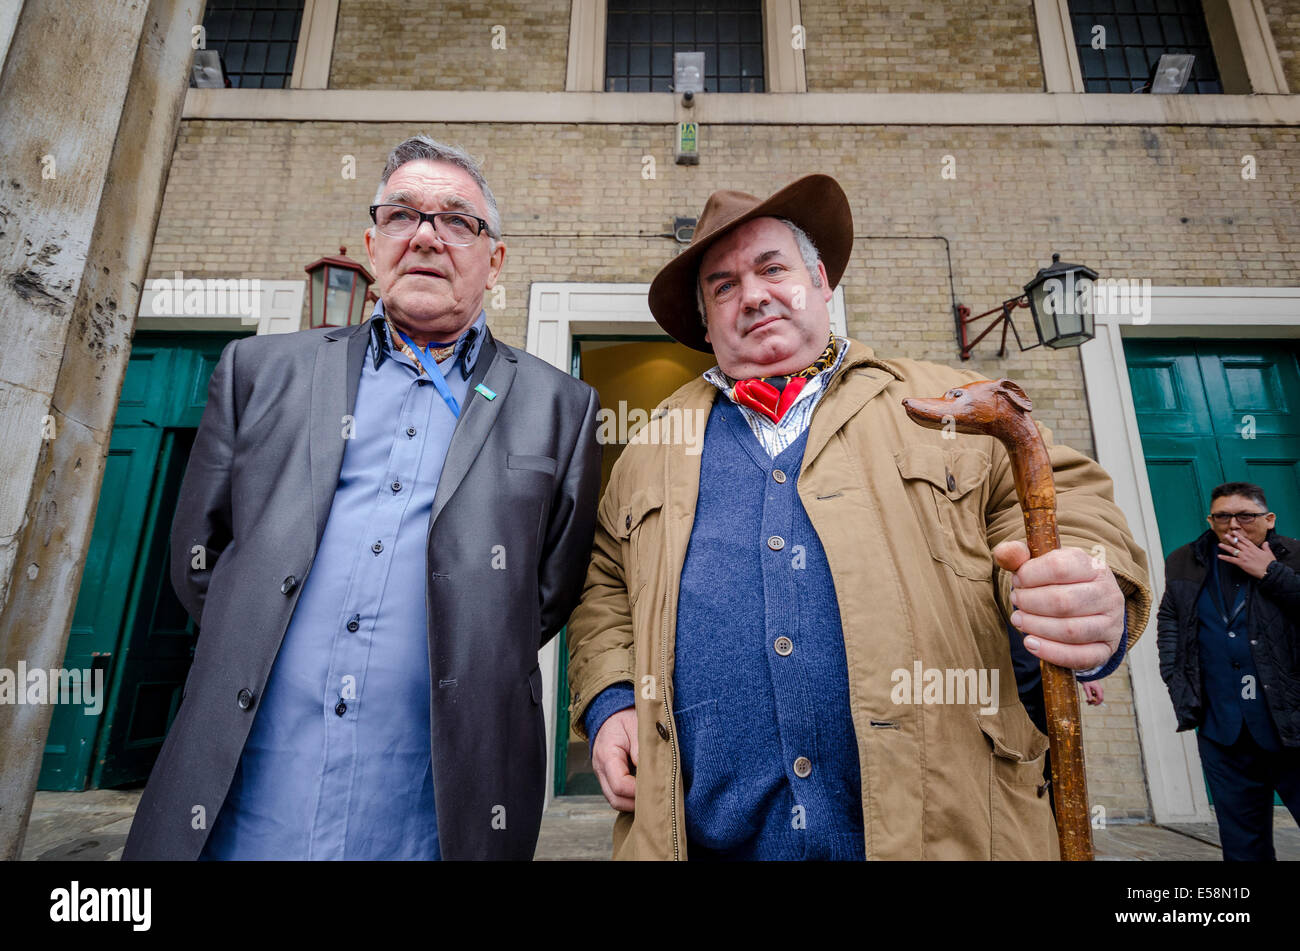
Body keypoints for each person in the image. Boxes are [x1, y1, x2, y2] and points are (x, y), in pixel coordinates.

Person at [565, 174, 1152, 860]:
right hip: (706, 841)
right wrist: (610, 700)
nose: (751, 294)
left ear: (820, 281)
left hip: (946, 835)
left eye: (771, 268)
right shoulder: (653, 444)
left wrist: (1087, 584)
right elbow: (605, 581)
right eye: (723, 286)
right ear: (705, 322)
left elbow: (1064, 500)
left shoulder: (953, 403)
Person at [123, 136, 601, 860]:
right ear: (374, 242)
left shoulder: (560, 406)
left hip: (431, 817)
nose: (427, 237)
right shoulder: (258, 372)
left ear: (494, 261)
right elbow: (206, 562)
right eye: (403, 215)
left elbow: (546, 592)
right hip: (246, 809)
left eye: (458, 222)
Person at [1157, 481, 1300, 860]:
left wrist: (1270, 572)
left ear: (1269, 519)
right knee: (1243, 846)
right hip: (1224, 731)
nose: (1233, 524)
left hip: (1292, 726)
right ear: (1210, 519)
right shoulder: (1185, 559)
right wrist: (1176, 680)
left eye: (1245, 516)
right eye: (1222, 516)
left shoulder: (1294, 557)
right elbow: (1171, 620)